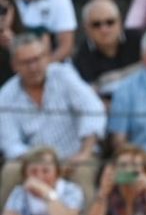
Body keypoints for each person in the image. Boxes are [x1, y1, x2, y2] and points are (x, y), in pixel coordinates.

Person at [0, 34, 106, 174]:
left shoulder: (64, 75)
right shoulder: (6, 95)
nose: (33, 67)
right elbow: (10, 143)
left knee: (84, 172)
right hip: (32, 162)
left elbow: (93, 110)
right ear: (14, 65)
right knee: (10, 171)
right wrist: (41, 165)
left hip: (76, 155)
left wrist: (85, 153)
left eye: (37, 59)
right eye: (26, 62)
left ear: (46, 58)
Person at [73, 0, 144, 101]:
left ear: (120, 22)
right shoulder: (81, 58)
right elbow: (91, 100)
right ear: (86, 28)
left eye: (110, 22)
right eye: (96, 24)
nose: (104, 29)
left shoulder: (140, 41)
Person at [0, 144, 82, 215]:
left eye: (45, 171)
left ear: (57, 173)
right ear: (25, 175)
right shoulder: (20, 192)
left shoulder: (71, 191)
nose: (40, 177)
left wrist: (47, 193)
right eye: (33, 171)